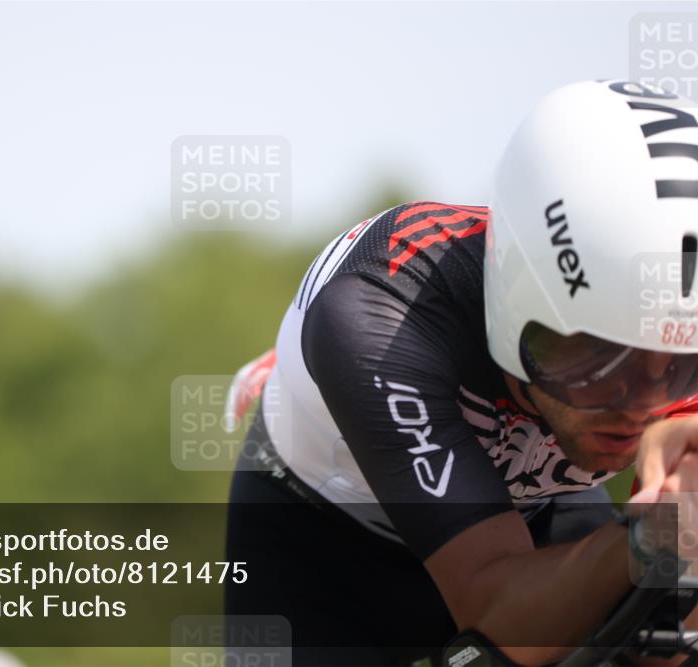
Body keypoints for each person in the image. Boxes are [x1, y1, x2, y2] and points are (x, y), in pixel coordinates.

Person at [223, 79, 698, 667]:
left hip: (532, 510)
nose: (640, 406)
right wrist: (653, 536)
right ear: (518, 303)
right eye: (600, 364)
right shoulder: (379, 308)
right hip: (320, 540)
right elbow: (493, 612)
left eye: (681, 367)